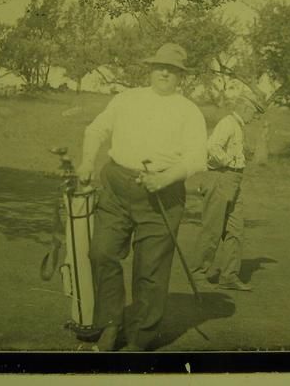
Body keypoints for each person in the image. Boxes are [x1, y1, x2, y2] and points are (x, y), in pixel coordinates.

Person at [76, 43, 207, 351]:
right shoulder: (127, 99)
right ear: (150, 69)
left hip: (163, 195)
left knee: (150, 270)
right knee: (102, 253)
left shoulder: (189, 111)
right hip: (117, 188)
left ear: (181, 77)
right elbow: (96, 130)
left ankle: (140, 339)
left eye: (172, 70)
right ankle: (110, 325)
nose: (164, 73)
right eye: (160, 67)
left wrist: (164, 178)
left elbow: (198, 158)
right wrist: (86, 162)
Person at [191, 94, 265, 292]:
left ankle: (229, 275)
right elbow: (212, 146)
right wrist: (227, 161)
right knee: (212, 229)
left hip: (234, 180)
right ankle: (198, 275)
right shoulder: (227, 123)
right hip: (220, 178)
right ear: (246, 108)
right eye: (254, 114)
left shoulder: (239, 127)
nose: (254, 118)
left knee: (236, 229)